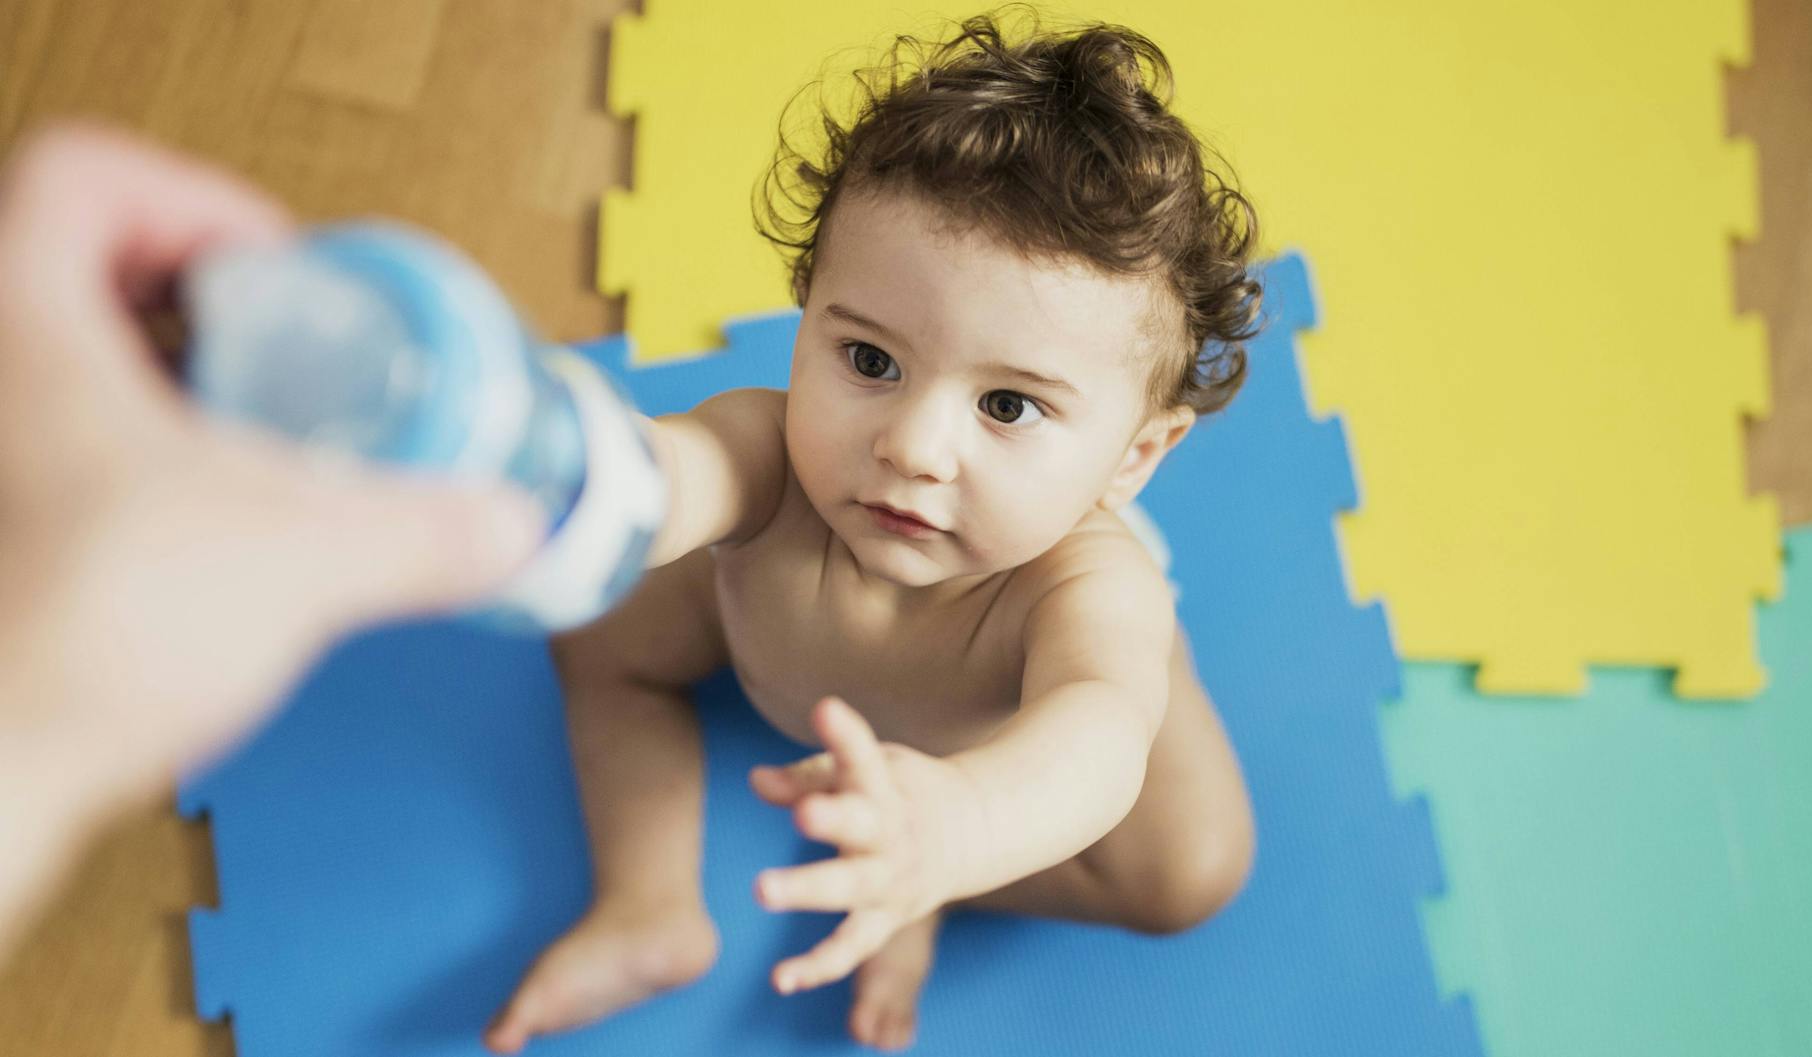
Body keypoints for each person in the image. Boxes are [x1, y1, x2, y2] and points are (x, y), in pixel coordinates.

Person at [485, 12, 1260, 1054]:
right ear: (809, 314)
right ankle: (647, 905)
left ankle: (922, 876)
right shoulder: (776, 454)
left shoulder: (1085, 589)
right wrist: (583, 477)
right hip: (834, 709)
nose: (912, 447)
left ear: (1131, 456)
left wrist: (961, 831)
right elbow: (681, 472)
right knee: (594, 621)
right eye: (870, 361)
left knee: (1190, 870)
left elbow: (1098, 735)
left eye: (1007, 407)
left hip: (985, 776)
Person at [0, 124, 545, 957]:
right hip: (671, 637)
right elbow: (716, 473)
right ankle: (649, 899)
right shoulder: (768, 442)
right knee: (626, 668)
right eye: (830, 346)